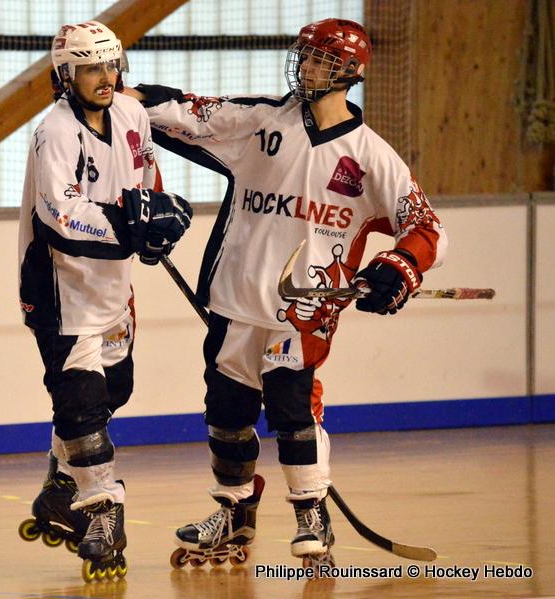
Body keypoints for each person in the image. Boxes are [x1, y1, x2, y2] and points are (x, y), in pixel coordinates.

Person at [122, 18, 448, 568]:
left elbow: (426, 228)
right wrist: (119, 92)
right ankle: (233, 510)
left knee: (291, 409)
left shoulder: (371, 156)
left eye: (319, 59)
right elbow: (186, 110)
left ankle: (309, 514)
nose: (306, 67)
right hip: (234, 298)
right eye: (306, 56)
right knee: (226, 414)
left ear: (347, 72)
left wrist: (397, 267)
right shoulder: (261, 122)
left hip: (303, 309)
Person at [16, 20, 193, 581]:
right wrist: (127, 226)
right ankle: (102, 509)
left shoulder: (132, 115)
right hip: (59, 286)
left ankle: (60, 484)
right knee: (82, 402)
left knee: (116, 389)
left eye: (111, 65)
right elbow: (61, 217)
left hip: (113, 286)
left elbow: (145, 179)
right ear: (65, 75)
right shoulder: (54, 132)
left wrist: (156, 219)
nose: (104, 77)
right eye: (91, 67)